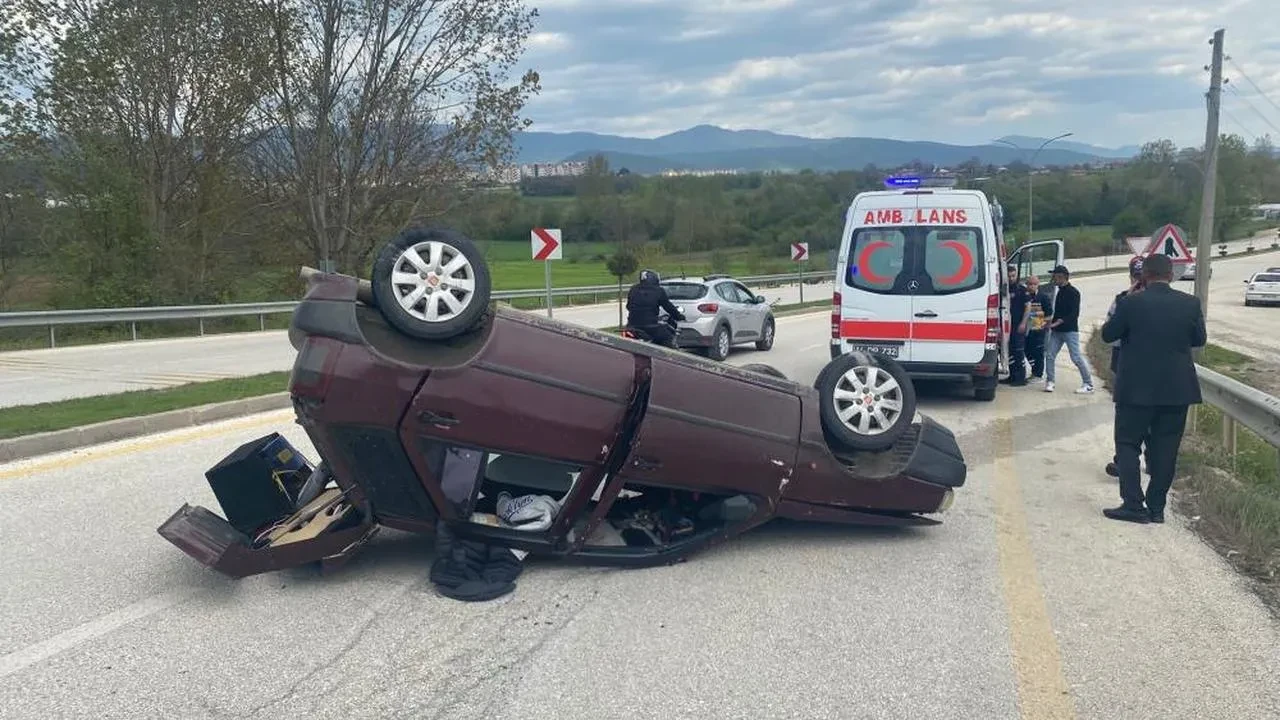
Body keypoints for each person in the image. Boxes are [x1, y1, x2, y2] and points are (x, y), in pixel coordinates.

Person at [1099, 253, 1206, 524]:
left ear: (1143, 275)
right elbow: (1199, 339)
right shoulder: (1191, 304)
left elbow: (1108, 334)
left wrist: (1130, 301)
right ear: (1171, 275)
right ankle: (1157, 508)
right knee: (1166, 449)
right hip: (1177, 390)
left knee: (1127, 444)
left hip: (1136, 389)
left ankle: (1133, 505)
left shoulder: (1130, 303)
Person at [1104, 257, 1147, 478]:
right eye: (1136, 277)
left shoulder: (1125, 301)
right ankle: (1124, 460)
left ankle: (1134, 459)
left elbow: (1112, 335)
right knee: (1128, 417)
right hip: (1126, 364)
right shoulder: (1121, 300)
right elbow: (1109, 333)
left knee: (1131, 417)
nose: (1138, 282)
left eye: (1141, 277)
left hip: (1132, 365)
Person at [1043, 265, 1094, 394]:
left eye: (1055, 276)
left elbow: (1074, 314)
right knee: (1049, 355)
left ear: (1062, 277)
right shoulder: (1059, 291)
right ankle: (1050, 381)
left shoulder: (1074, 293)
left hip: (1070, 331)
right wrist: (1049, 322)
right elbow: (1057, 312)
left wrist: (1058, 322)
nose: (1053, 279)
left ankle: (1088, 384)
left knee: (1076, 357)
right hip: (1056, 332)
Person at [625, 269, 684, 347]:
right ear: (655, 279)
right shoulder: (658, 291)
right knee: (668, 337)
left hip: (632, 326)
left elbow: (628, 306)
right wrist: (679, 316)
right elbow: (668, 307)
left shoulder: (633, 289)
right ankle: (665, 358)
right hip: (650, 327)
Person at [1001, 264, 1030, 386]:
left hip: (1019, 325)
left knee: (1018, 351)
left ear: (1016, 275)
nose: (1011, 278)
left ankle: (1021, 378)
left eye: (1013, 275)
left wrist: (1024, 323)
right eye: (1009, 276)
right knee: (1010, 351)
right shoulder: (1004, 289)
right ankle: (1012, 376)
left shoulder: (1022, 290)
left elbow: (1028, 307)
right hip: (1008, 326)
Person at [1023, 275, 1052, 382]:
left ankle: (1038, 374)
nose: (1032, 286)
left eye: (1034, 284)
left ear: (1038, 285)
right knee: (1026, 349)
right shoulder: (1024, 296)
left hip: (1038, 327)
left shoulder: (1043, 297)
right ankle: (1034, 369)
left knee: (1038, 352)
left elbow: (1049, 312)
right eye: (1030, 284)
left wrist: (1046, 325)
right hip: (1026, 328)